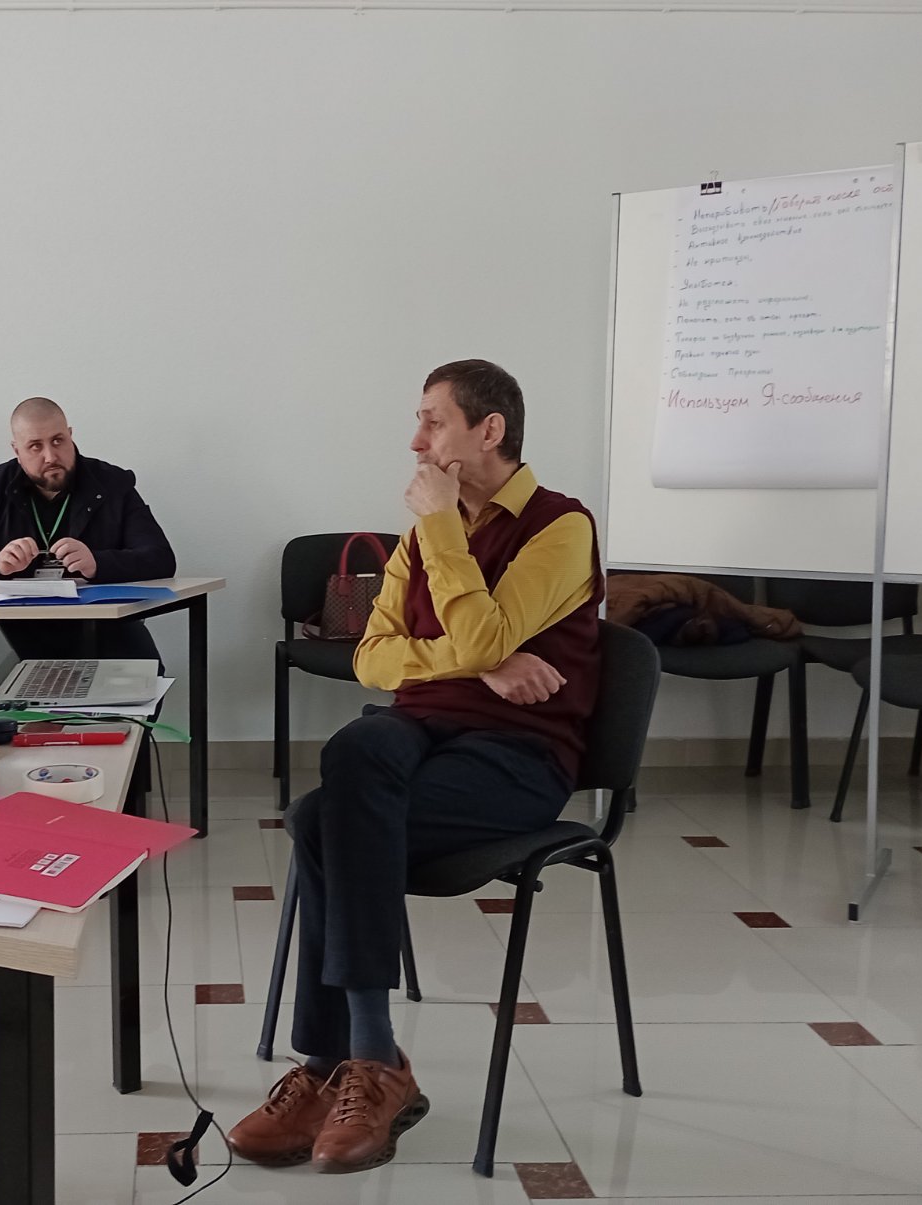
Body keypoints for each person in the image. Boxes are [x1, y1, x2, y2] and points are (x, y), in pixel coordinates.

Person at [227, 360, 603, 1174]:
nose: (416, 440)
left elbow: (479, 633)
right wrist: (482, 663)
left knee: (318, 818)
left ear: (489, 429)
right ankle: (370, 1062)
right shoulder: (422, 533)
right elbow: (371, 656)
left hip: (518, 753)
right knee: (356, 746)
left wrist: (443, 541)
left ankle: (344, 1059)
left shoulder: (561, 527)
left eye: (433, 420)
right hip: (419, 730)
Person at [0, 397, 175, 664]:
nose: (50, 456)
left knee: (144, 671)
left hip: (102, 627)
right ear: (17, 450)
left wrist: (98, 563)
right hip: (13, 628)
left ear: (70, 436)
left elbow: (160, 558)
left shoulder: (112, 483)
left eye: (58, 440)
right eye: (35, 446)